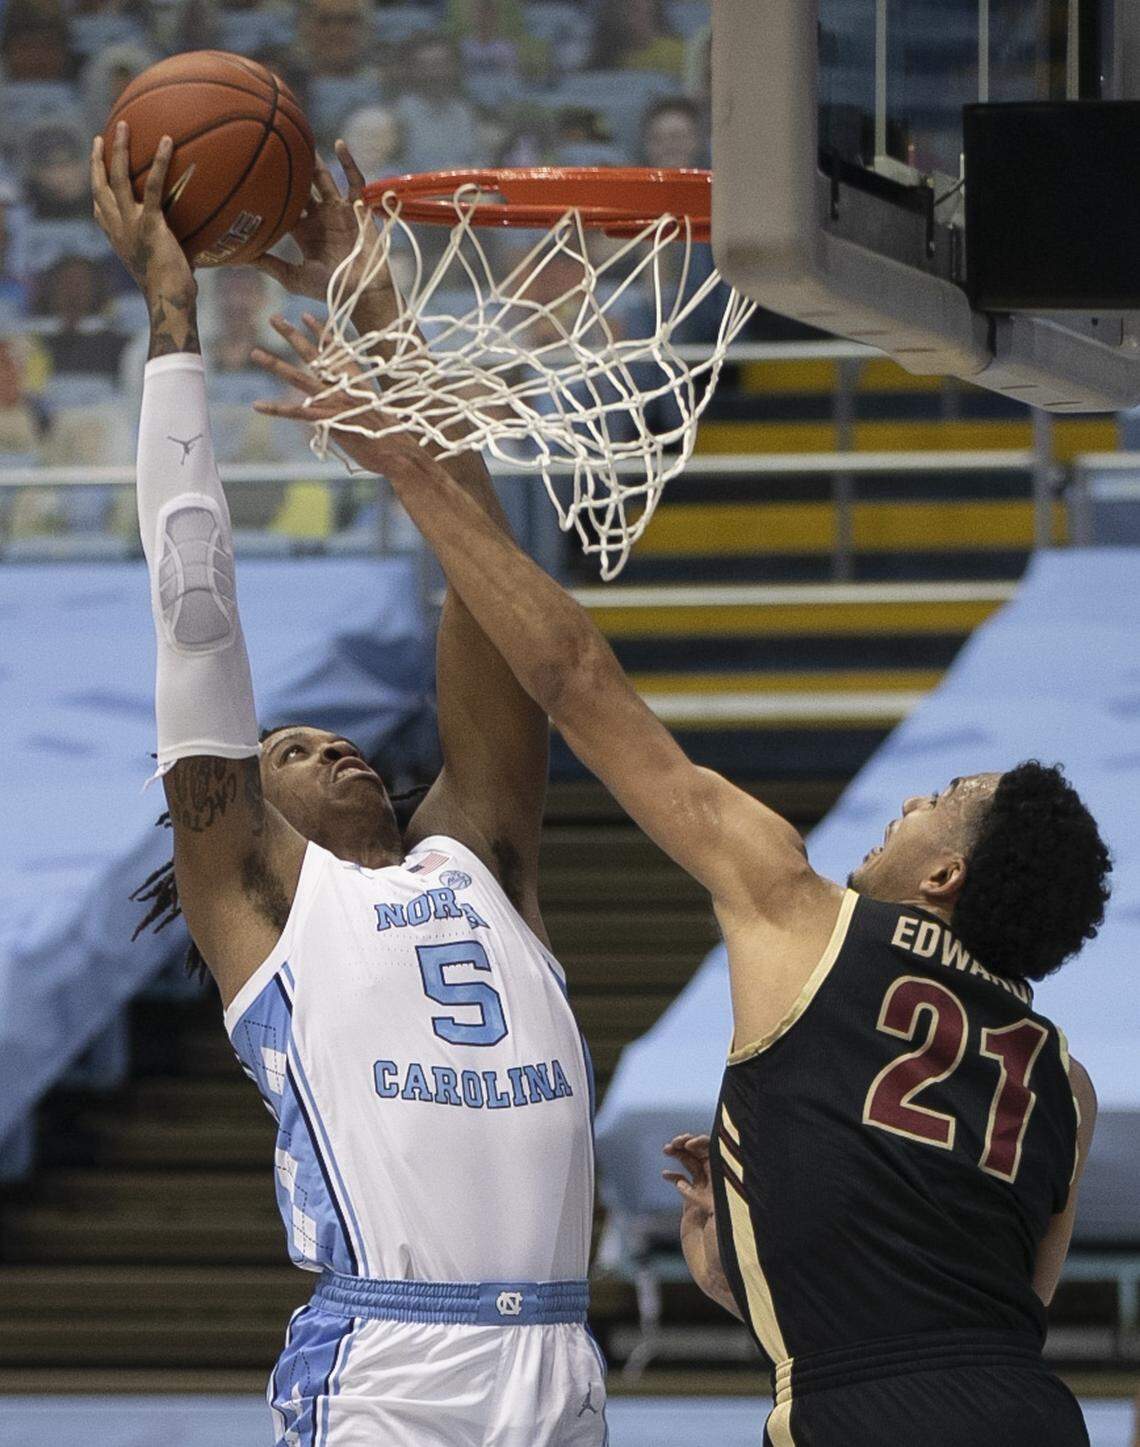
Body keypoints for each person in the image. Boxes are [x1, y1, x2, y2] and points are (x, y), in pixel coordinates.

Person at [257, 326, 1111, 1447]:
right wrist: (745, 1253)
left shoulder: (805, 915)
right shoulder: (1067, 1084)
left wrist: (413, 471)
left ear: (947, 873)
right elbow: (993, 1311)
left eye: (940, 798)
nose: (908, 805)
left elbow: (570, 675)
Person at [91, 124, 605, 1446]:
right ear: (244, 815)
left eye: (329, 735)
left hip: (559, 1350)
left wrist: (370, 290)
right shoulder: (263, 899)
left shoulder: (476, 853)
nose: (327, 746)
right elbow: (194, 609)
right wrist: (171, 310)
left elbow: (482, 567)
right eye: (288, 749)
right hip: (393, 1362)